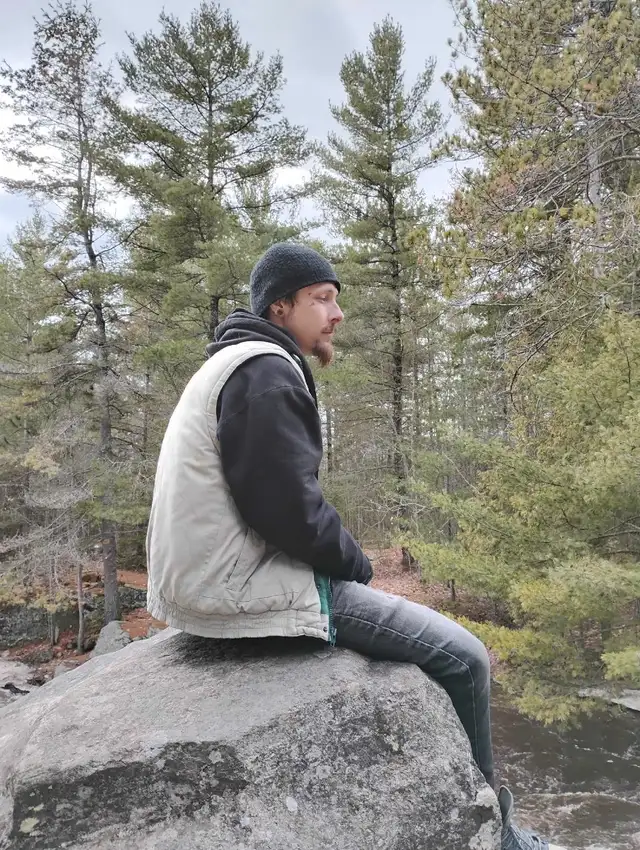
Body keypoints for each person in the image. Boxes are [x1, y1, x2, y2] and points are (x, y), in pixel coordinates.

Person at [146, 243, 561, 850]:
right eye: (322, 299)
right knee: (468, 658)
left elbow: (275, 500)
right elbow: (288, 509)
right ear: (280, 306)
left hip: (208, 583)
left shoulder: (236, 364)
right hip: (240, 588)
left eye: (335, 299)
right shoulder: (264, 371)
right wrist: (356, 565)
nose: (337, 314)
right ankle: (495, 833)